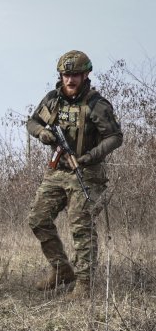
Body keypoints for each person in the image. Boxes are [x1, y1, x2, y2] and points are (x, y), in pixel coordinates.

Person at [27, 50, 122, 299]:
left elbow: (114, 137)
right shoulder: (53, 100)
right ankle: (61, 270)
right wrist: (42, 134)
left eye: (75, 75)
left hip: (87, 173)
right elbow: (33, 122)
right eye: (66, 75)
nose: (70, 80)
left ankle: (84, 284)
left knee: (81, 224)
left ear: (85, 75)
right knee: (38, 219)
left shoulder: (96, 105)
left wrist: (90, 156)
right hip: (57, 171)